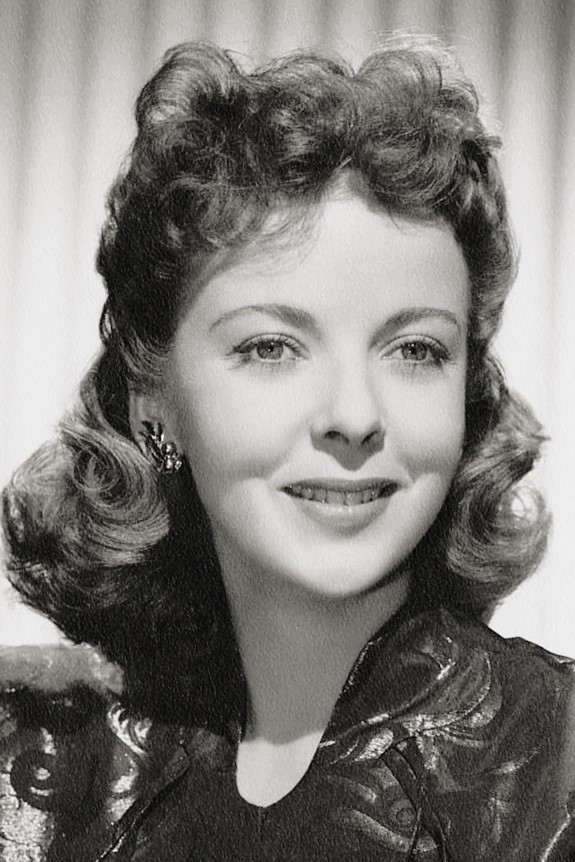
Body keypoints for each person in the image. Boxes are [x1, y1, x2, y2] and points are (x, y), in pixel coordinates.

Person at [1, 36, 575, 862]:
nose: (354, 416)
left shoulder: (555, 764)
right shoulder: (41, 759)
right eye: (271, 347)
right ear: (154, 401)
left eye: (415, 350)